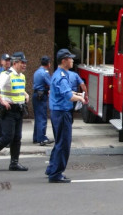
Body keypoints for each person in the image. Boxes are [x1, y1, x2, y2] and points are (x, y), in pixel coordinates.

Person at [0, 52, 30, 171]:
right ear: (15, 63)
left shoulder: (21, 76)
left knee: (17, 137)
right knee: (7, 136)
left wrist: (25, 94)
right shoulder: (7, 74)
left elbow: (18, 89)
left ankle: (14, 163)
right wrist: (2, 101)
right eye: (22, 62)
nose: (24, 65)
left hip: (19, 109)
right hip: (9, 110)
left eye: (25, 63)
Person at [45, 49, 85, 183]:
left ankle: (51, 168)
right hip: (62, 113)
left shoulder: (59, 74)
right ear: (64, 61)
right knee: (64, 144)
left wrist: (77, 94)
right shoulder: (62, 76)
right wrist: (81, 99)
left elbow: (66, 91)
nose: (73, 60)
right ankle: (56, 174)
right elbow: (68, 96)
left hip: (58, 113)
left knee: (59, 142)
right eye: (70, 58)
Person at [32, 55, 54, 146]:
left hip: (36, 95)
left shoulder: (37, 71)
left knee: (38, 117)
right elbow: (51, 84)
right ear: (48, 64)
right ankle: (42, 138)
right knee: (42, 117)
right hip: (41, 96)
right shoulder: (45, 72)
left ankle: (36, 137)